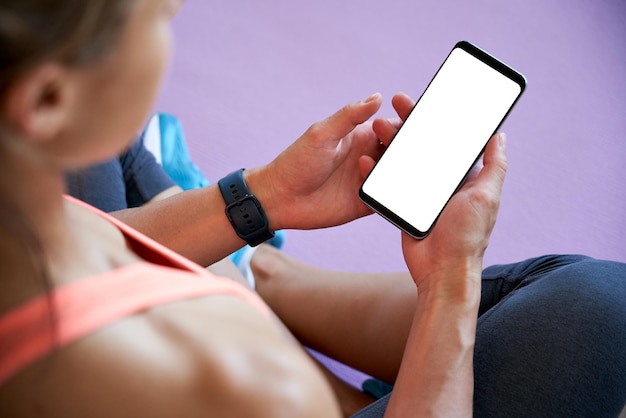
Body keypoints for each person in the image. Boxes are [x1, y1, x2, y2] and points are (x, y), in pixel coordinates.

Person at [0, 2, 625, 418]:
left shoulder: (28, 218)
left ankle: (258, 270)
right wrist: (449, 282)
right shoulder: (255, 385)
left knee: (100, 152)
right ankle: (263, 284)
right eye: (159, 18)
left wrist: (266, 197)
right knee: (604, 308)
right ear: (48, 98)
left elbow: (95, 237)